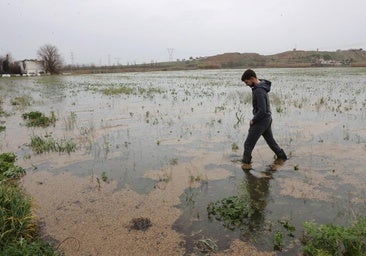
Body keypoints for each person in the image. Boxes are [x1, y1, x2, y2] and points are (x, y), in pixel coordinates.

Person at [241, 69, 287, 169]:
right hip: (267, 119)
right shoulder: (261, 86)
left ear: (252, 78)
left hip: (261, 121)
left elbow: (263, 110)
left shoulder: (259, 90)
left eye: (247, 82)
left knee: (248, 144)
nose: (246, 84)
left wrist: (253, 120)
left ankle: (245, 166)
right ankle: (282, 157)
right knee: (271, 141)